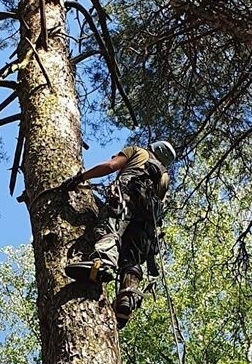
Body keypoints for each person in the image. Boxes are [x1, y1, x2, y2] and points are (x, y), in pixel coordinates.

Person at [64, 140, 176, 327]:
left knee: (110, 230)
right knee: (131, 258)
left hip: (125, 198)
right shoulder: (164, 177)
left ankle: (103, 264)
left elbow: (111, 166)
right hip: (146, 224)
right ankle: (128, 295)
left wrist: (81, 177)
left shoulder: (138, 152)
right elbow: (160, 205)